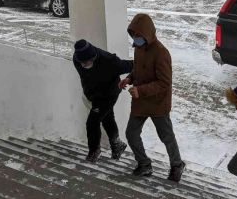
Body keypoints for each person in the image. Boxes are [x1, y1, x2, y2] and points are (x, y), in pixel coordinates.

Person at [119, 13, 186, 183]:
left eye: (139, 35)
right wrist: (129, 78)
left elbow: (165, 83)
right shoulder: (138, 47)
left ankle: (177, 165)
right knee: (131, 133)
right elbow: (138, 69)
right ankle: (144, 164)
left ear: (147, 33)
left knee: (166, 137)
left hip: (157, 103)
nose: (136, 38)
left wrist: (140, 90)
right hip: (141, 102)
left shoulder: (162, 53)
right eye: (134, 34)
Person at [73, 39, 133, 163]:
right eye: (82, 62)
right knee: (107, 118)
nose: (83, 65)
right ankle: (117, 144)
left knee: (92, 122)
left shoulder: (110, 61)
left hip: (108, 94)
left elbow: (132, 65)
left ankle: (94, 151)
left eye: (87, 62)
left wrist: (130, 78)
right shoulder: (77, 59)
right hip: (94, 95)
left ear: (93, 57)